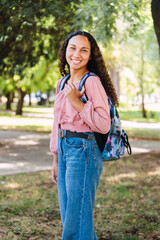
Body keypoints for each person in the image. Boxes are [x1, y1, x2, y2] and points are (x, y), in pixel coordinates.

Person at [50, 30, 118, 240]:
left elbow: (103, 124)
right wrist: (55, 158)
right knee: (71, 216)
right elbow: (57, 122)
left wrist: (77, 102)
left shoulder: (91, 82)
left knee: (76, 219)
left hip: (84, 151)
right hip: (64, 150)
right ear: (65, 51)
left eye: (83, 50)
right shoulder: (62, 83)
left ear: (90, 55)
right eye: (73, 48)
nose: (77, 54)